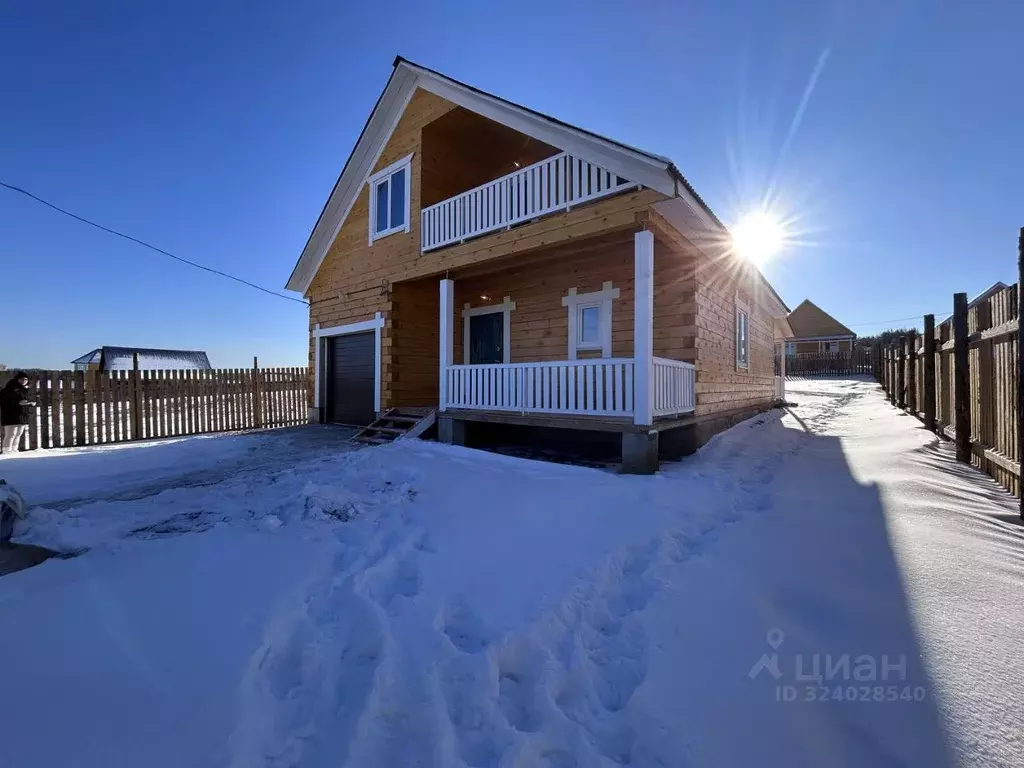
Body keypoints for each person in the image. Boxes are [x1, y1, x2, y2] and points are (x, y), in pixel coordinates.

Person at [0, 372, 36, 455]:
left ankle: (14, 449)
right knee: (11, 434)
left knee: (18, 434)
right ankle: (6, 451)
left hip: (22, 414)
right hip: (10, 415)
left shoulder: (24, 390)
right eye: (21, 379)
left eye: (25, 379)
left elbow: (23, 401)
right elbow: (3, 401)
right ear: (17, 380)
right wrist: (18, 403)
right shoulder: (9, 389)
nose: (24, 381)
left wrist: (29, 403)